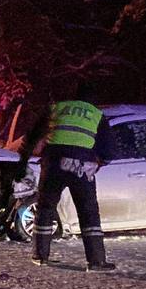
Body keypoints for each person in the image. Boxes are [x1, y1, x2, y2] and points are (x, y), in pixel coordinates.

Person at [12, 83, 116, 271]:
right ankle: (96, 261)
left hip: (54, 163)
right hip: (81, 167)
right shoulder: (97, 115)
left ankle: (39, 255)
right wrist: (99, 162)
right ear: (93, 100)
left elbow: (32, 137)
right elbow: (108, 150)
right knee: (88, 213)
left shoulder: (57, 108)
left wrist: (22, 162)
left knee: (45, 208)